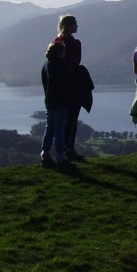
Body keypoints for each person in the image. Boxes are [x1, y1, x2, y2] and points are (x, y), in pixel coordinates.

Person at [52, 14, 87, 162]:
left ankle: (60, 150)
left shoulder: (56, 42)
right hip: (72, 86)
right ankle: (69, 149)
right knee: (72, 118)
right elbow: (74, 64)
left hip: (57, 86)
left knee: (60, 120)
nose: (77, 26)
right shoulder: (74, 44)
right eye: (75, 24)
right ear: (69, 25)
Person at [40, 42, 72, 169]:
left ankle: (45, 155)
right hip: (60, 102)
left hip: (50, 102)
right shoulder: (58, 65)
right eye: (63, 52)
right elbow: (61, 84)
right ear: (59, 53)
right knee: (59, 131)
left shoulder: (46, 65)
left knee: (50, 129)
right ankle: (61, 157)